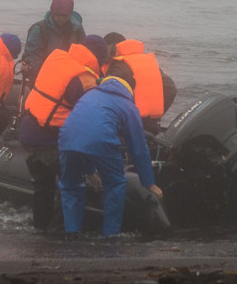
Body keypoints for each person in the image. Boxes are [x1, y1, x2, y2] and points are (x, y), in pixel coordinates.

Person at [57, 67, 163, 237]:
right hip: (101, 141)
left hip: (66, 139)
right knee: (115, 184)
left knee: (71, 186)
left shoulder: (89, 95)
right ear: (129, 87)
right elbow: (138, 148)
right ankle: (110, 237)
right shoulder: (128, 105)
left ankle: (72, 233)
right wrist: (149, 182)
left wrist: (91, 173)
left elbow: (83, 132)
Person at [19, 35, 109, 231]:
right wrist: (92, 168)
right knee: (71, 184)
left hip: (28, 131)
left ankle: (41, 229)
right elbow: (88, 124)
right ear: (99, 58)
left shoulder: (57, 58)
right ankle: (60, 235)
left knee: (43, 187)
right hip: (48, 139)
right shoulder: (84, 80)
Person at [102, 32, 177, 132]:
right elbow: (170, 87)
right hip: (151, 120)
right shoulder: (145, 60)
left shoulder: (118, 66)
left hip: (133, 123)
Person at [22, 0, 86, 82]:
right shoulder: (39, 29)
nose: (61, 19)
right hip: (43, 75)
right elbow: (32, 55)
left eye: (64, 16)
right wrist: (36, 77)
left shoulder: (77, 29)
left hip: (69, 75)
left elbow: (82, 53)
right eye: (57, 15)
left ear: (70, 14)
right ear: (52, 12)